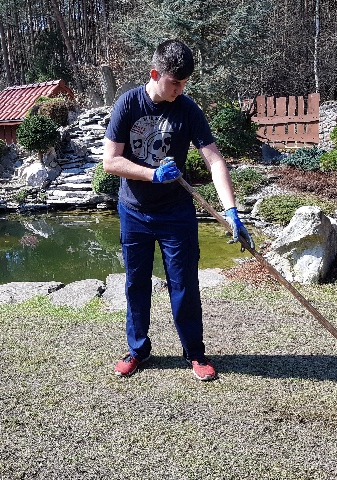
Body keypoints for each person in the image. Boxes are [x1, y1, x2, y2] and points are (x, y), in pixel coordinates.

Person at [103, 39, 254, 381]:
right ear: (156, 74)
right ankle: (137, 350)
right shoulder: (128, 104)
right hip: (135, 211)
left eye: (185, 83)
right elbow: (110, 162)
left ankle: (195, 353)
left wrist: (231, 210)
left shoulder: (188, 110)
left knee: (184, 283)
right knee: (136, 283)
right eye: (175, 82)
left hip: (176, 214)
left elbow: (215, 161)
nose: (180, 90)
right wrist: (152, 174)